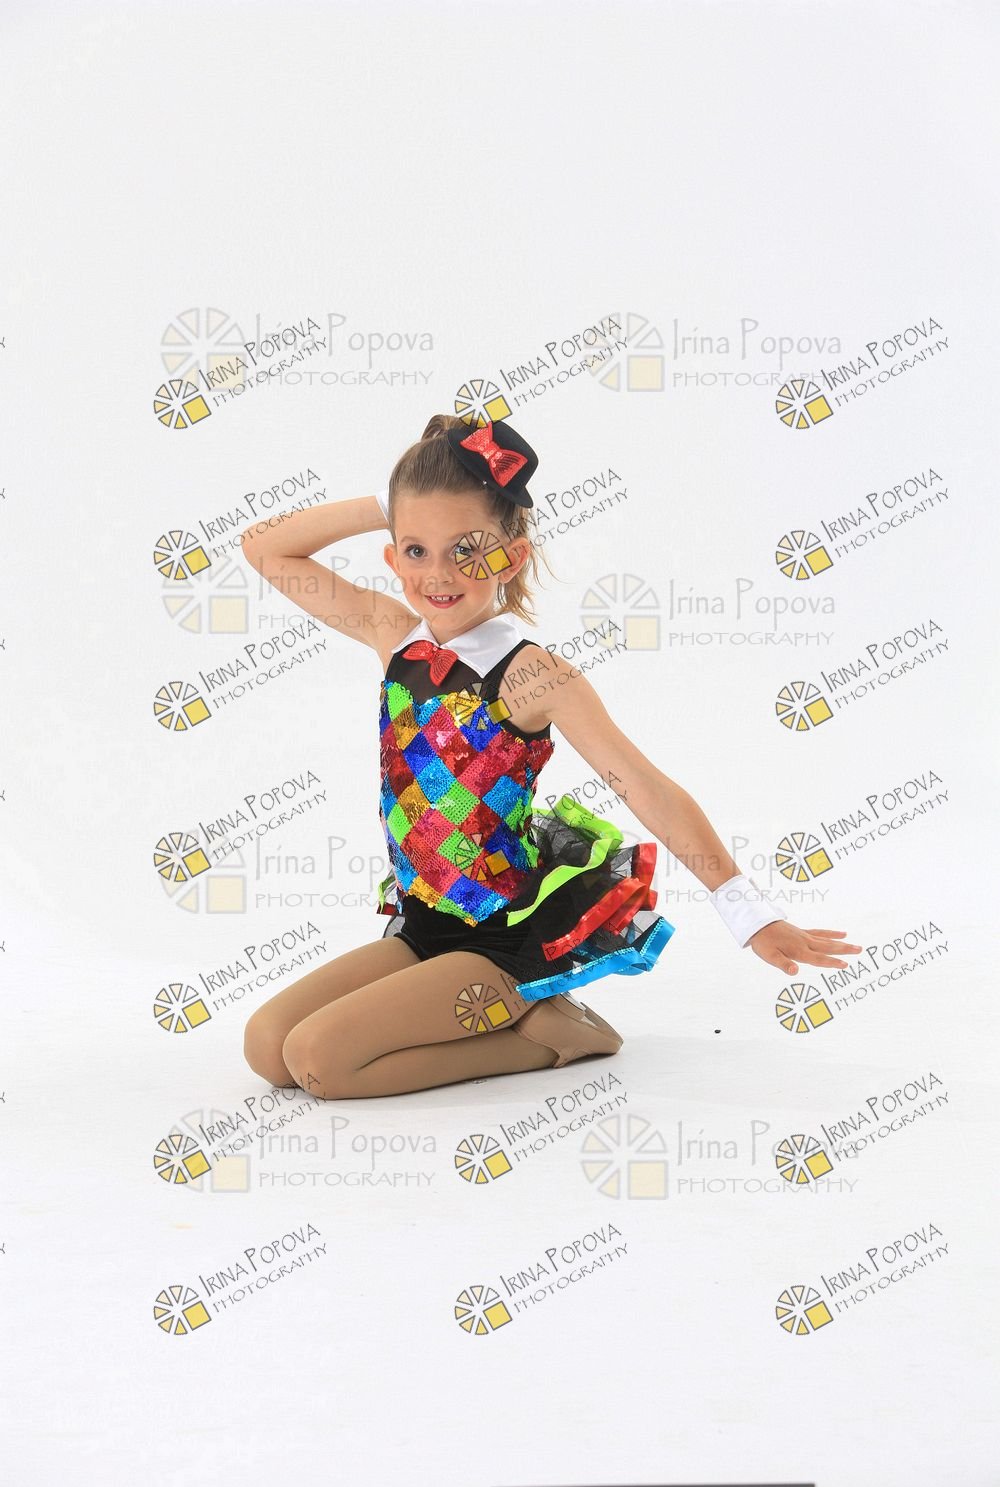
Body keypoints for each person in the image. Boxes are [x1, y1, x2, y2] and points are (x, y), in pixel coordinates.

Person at [240, 414, 860, 1100]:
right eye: (416, 549)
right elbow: (265, 549)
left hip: (499, 944)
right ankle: (470, 1012)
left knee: (321, 1062)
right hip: (420, 928)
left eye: (466, 550)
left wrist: (748, 911)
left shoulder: (533, 676)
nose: (438, 573)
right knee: (269, 1048)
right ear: (393, 556)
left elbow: (645, 787)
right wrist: (395, 503)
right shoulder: (393, 634)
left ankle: (548, 1032)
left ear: (512, 557)